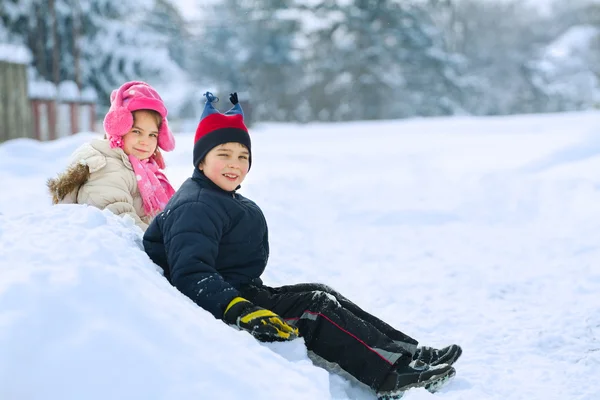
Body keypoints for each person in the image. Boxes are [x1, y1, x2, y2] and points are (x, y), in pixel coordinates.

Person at [142, 92, 462, 399]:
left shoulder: (217, 196)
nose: (235, 164)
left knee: (321, 292)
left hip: (242, 290)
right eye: (223, 154)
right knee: (315, 309)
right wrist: (240, 310)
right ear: (201, 160)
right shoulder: (196, 205)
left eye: (243, 156)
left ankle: (410, 353)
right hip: (227, 302)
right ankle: (390, 374)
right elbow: (191, 273)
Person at [48, 81, 176, 232]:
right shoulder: (108, 167)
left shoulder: (144, 170)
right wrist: (163, 245)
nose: (145, 141)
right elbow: (121, 221)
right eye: (136, 131)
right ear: (119, 129)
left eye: (152, 135)